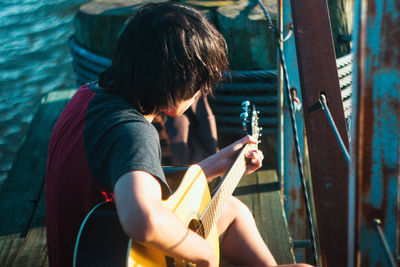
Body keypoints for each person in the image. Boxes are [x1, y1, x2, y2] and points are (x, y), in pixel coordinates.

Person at [45, 2, 313, 267]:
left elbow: (130, 175)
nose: (202, 93)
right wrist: (203, 254)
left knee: (230, 211)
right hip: (114, 254)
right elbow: (143, 221)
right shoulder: (134, 132)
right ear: (177, 84)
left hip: (94, 251)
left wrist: (216, 165)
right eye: (200, 85)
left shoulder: (88, 97)